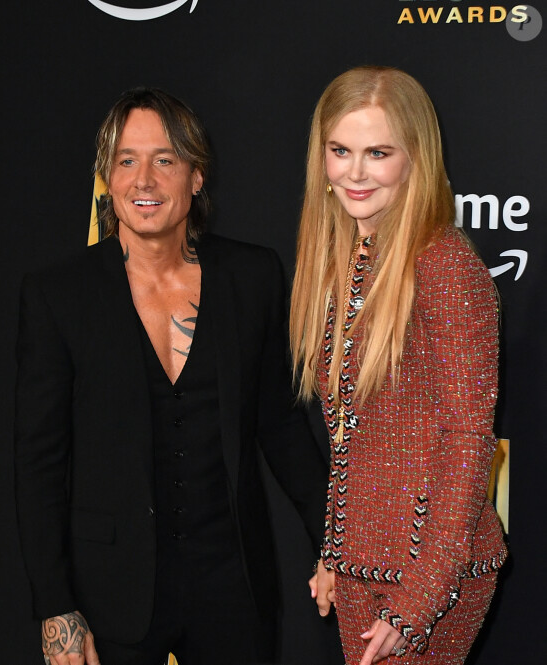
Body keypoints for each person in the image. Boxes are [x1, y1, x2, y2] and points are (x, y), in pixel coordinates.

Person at [15, 87, 328, 665]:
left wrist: (331, 543)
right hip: (111, 593)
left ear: (197, 175)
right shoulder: (59, 294)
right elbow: (39, 463)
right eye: (126, 161)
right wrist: (55, 605)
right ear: (107, 179)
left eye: (165, 160)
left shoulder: (253, 276)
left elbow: (281, 427)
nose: (144, 181)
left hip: (234, 585)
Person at [290, 66, 507, 665]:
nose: (355, 173)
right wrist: (336, 549)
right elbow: (355, 434)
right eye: (341, 151)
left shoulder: (443, 265)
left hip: (425, 574)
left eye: (378, 153)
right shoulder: (350, 253)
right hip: (365, 565)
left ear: (415, 157)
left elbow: (468, 438)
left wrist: (418, 597)